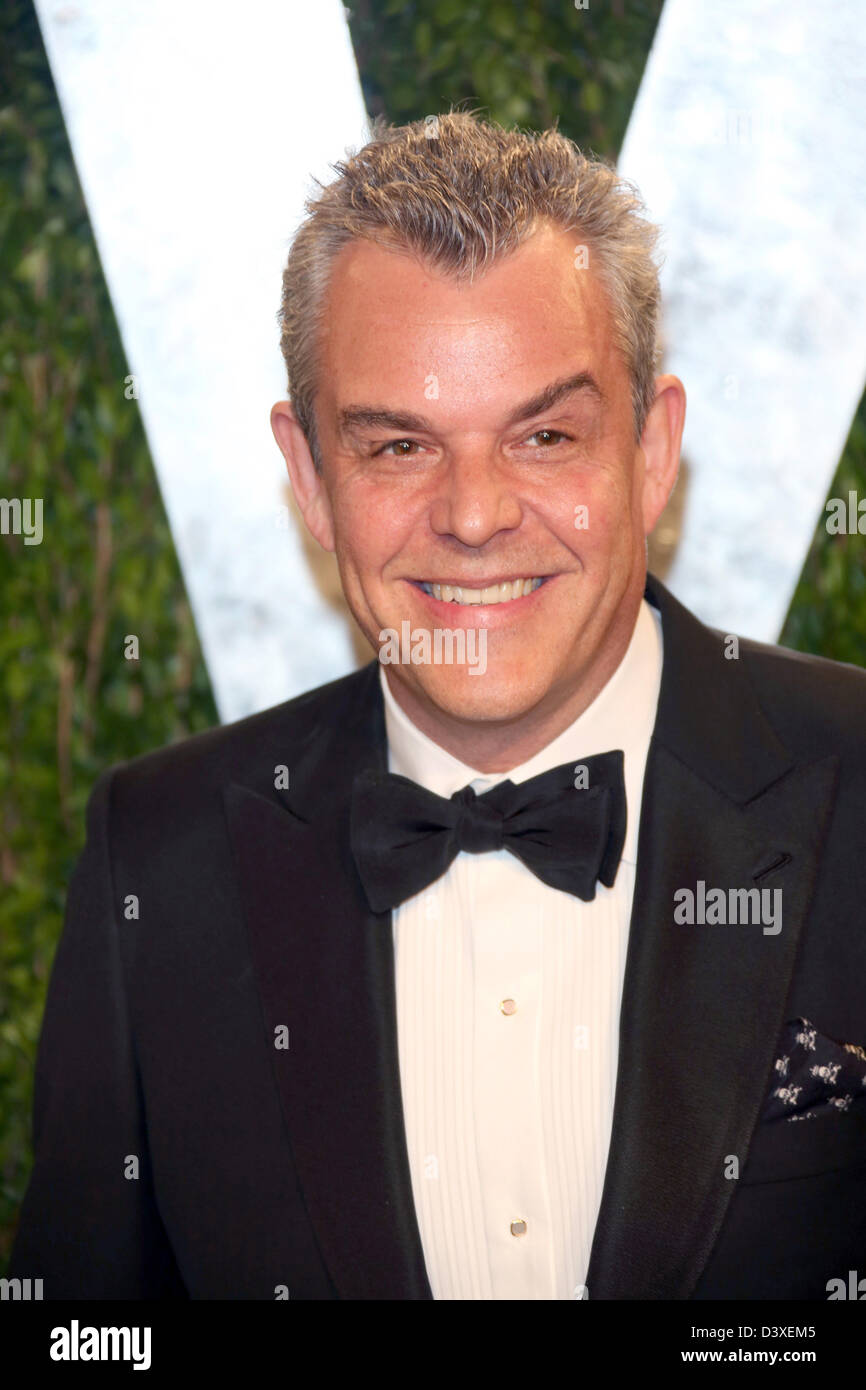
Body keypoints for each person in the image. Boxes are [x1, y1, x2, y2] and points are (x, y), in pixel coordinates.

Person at [10, 112, 866, 1301]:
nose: (472, 516)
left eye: (544, 433)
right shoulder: (156, 857)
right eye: (399, 446)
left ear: (650, 450)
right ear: (309, 477)